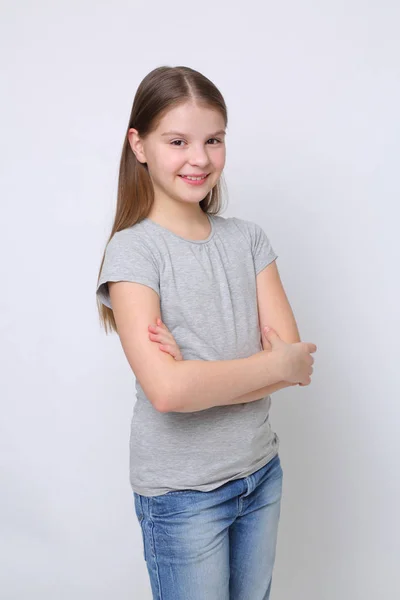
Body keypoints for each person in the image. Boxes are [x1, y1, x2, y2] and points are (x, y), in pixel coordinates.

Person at [96, 65, 317, 600]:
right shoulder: (133, 251)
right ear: (140, 145)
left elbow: (298, 367)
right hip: (181, 496)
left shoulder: (248, 240)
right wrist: (269, 365)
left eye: (213, 140)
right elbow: (168, 393)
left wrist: (198, 374)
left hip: (261, 472)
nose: (200, 158)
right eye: (178, 141)